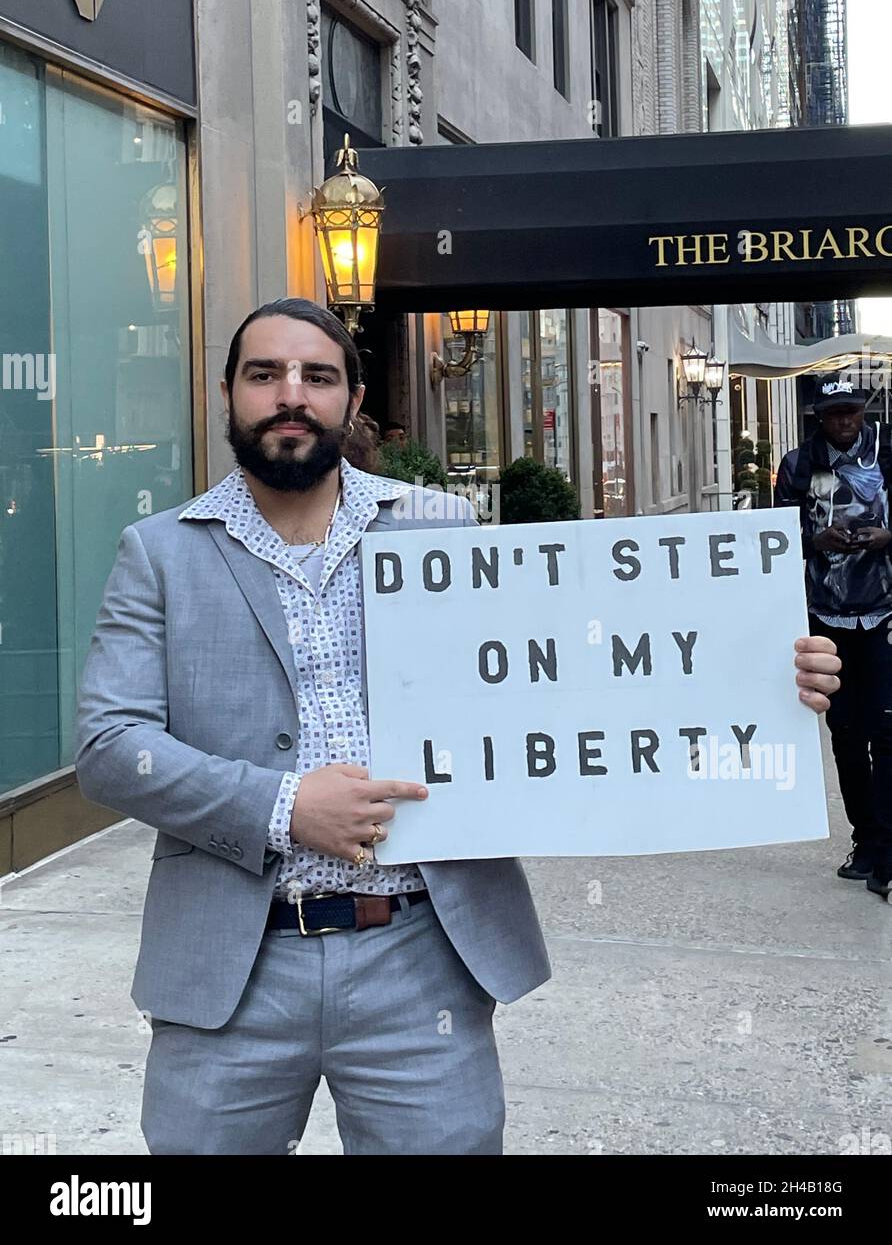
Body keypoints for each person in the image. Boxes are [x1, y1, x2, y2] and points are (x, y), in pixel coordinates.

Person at [75, 298, 843, 1156]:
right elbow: (111, 747)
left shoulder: (439, 529)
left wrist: (752, 678)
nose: (290, 394)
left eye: (317, 376)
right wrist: (284, 806)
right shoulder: (160, 552)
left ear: (353, 400)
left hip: (418, 953)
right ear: (229, 393)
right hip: (231, 963)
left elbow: (569, 677)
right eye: (265, 374)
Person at [775, 372, 892, 900]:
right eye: (832, 414)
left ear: (863, 410)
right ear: (817, 417)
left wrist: (888, 536)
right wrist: (812, 538)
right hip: (826, 618)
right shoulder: (797, 466)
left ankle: (887, 847)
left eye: (851, 411)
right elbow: (773, 540)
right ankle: (865, 840)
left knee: (888, 734)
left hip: (886, 613)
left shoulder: (887, 454)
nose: (843, 421)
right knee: (846, 736)